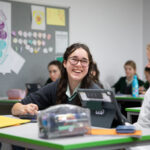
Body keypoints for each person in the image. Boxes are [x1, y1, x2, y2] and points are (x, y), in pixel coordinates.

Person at [11, 43, 100, 116]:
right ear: (65, 63)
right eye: (74, 59)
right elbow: (16, 107)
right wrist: (23, 109)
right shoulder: (55, 86)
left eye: (84, 61)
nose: (79, 64)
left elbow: (104, 124)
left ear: (88, 66)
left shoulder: (95, 92)